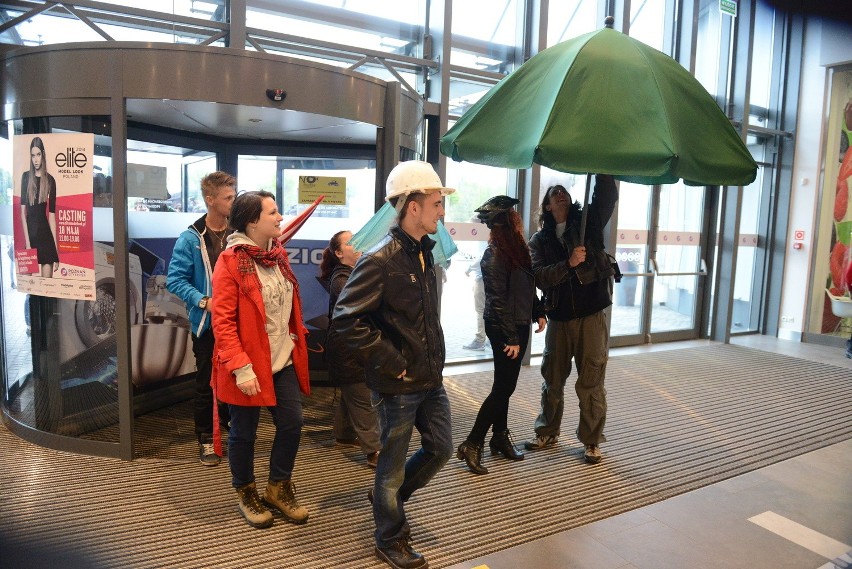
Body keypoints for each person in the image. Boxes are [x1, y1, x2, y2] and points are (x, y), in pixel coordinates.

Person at [332, 160, 455, 569]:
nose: (442, 211)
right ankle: (389, 536)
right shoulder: (380, 259)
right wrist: (392, 361)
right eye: (437, 203)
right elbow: (346, 319)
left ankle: (387, 502)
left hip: (430, 377)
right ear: (412, 206)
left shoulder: (425, 253)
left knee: (440, 448)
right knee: (390, 467)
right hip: (398, 383)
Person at [211, 190, 311, 529]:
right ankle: (246, 490)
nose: (281, 217)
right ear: (253, 220)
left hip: (280, 359)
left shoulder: (277, 256)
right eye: (273, 212)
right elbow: (222, 322)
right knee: (244, 432)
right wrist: (240, 367)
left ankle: (277, 486)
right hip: (247, 365)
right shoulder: (230, 261)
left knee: (292, 421)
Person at [524, 175, 618, 465]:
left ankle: (591, 441)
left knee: (591, 379)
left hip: (591, 314)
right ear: (548, 207)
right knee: (552, 378)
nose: (561, 195)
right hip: (560, 318)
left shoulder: (588, 224)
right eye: (554, 194)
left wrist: (602, 170)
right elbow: (538, 277)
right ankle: (547, 431)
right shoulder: (540, 241)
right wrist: (568, 264)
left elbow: (606, 199)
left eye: (563, 191)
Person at [456, 196, 546, 475]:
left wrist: (538, 311)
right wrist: (511, 338)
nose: (515, 221)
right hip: (503, 327)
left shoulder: (517, 249)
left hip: (517, 324)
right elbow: (496, 299)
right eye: (511, 218)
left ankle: (499, 435)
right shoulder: (494, 253)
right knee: (504, 388)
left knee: (505, 383)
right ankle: (472, 442)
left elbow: (526, 286)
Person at [166, 171, 236, 466]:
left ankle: (230, 427)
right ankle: (207, 438)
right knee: (207, 382)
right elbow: (175, 280)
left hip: (235, 323)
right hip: (207, 325)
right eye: (228, 197)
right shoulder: (190, 238)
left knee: (236, 376)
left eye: (234, 195)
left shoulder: (238, 233)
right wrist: (204, 301)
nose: (234, 201)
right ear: (211, 200)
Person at [319, 229, 380, 468]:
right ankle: (375, 450)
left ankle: (344, 435)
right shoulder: (341, 279)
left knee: (352, 392)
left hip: (350, 346)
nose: (358, 245)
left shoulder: (354, 273)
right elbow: (361, 307)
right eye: (351, 242)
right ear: (338, 252)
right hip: (346, 349)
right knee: (363, 397)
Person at [20, 137, 59, 278]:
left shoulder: (50, 180)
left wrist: (56, 250)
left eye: (38, 155)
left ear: (43, 154)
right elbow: (22, 214)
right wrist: (28, 244)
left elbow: (52, 217)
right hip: (30, 237)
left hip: (46, 239)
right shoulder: (25, 178)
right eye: (33, 155)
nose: (36, 159)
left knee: (47, 289)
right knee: (28, 287)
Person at [462, 251, 487, 351]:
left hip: (481, 281)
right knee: (489, 310)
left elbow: (478, 262)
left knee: (481, 311)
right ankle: (488, 339)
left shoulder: (488, 248)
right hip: (491, 283)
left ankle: (480, 340)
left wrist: (468, 269)